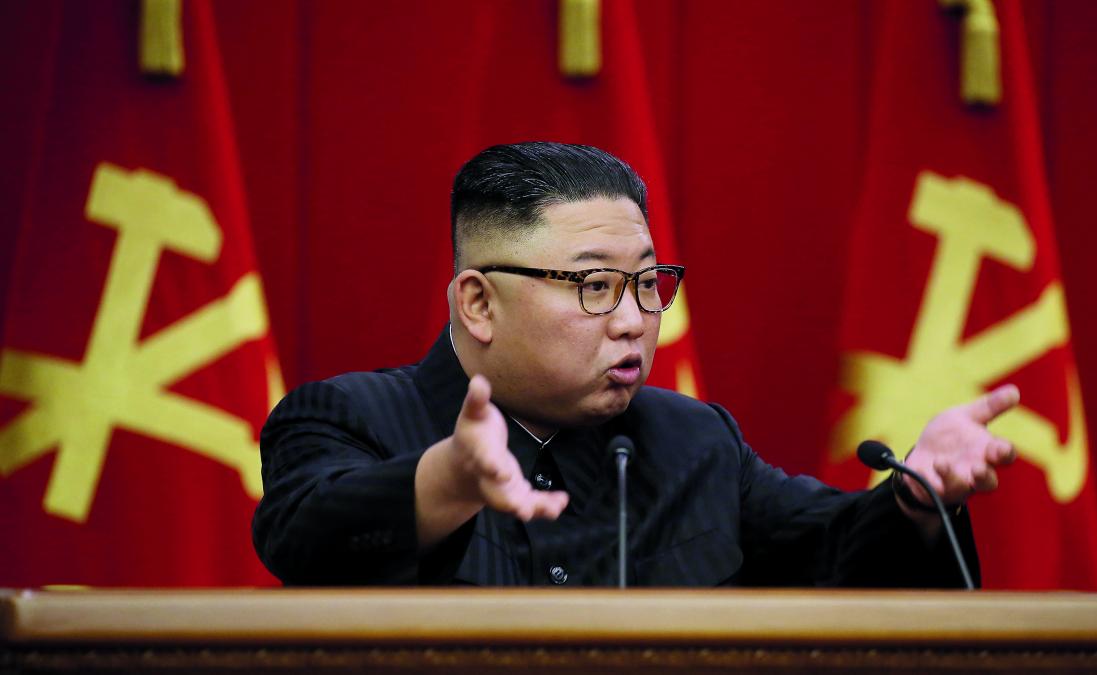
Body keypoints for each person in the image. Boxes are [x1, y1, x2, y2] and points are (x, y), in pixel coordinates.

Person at [252, 141, 1018, 587]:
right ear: (479, 303)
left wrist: (916, 496)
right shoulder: (347, 418)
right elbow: (301, 536)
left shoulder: (694, 441)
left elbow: (833, 550)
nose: (632, 319)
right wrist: (447, 480)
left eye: (648, 283)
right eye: (594, 286)